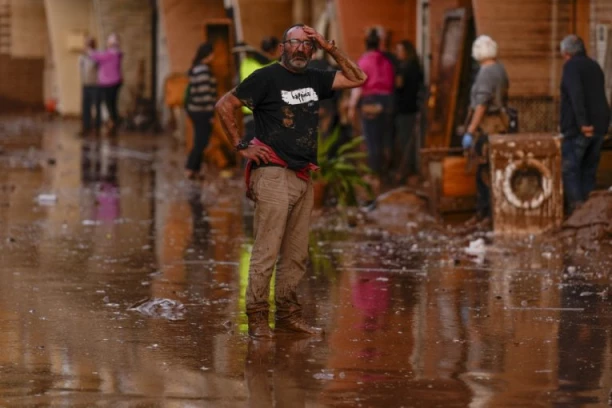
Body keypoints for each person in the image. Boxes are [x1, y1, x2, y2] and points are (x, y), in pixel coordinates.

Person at [215, 24, 367, 338]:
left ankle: (287, 315)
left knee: (297, 254)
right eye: (294, 43)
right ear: (283, 46)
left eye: (306, 45)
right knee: (267, 250)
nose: (300, 49)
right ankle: (257, 317)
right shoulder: (266, 77)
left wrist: (331, 48)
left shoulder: (316, 78)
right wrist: (242, 146)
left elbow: (358, 78)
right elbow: (224, 105)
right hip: (271, 173)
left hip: (302, 175)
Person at [559, 35, 610, 215]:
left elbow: (576, 95)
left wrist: (583, 123)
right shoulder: (595, 66)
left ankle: (577, 212)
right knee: (589, 170)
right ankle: (590, 213)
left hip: (580, 129)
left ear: (566, 53)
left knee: (571, 169)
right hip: (599, 127)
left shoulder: (571, 67)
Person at [461, 35, 510, 227]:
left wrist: (471, 130)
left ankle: (486, 214)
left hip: (489, 127)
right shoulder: (500, 69)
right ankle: (487, 214)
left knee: (484, 173)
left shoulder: (486, 73)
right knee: (492, 171)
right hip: (500, 124)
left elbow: (481, 104)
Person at [348, 28, 395, 181]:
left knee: (372, 140)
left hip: (371, 102)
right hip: (388, 102)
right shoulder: (387, 61)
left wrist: (352, 107)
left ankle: (374, 174)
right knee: (385, 139)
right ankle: (386, 172)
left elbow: (358, 87)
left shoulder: (364, 61)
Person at [234, 37, 281, 145]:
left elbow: (237, 85)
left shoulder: (246, 63)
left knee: (251, 144)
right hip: (267, 113)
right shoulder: (275, 66)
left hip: (249, 112)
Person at [184, 43, 217, 180]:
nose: (214, 57)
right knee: (201, 141)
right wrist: (211, 114)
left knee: (200, 140)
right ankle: (190, 168)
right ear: (207, 55)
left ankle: (195, 169)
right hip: (202, 111)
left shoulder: (197, 69)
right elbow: (205, 95)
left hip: (195, 110)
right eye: (212, 53)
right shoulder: (203, 70)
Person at [393, 40, 424, 184]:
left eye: (400, 50)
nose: (397, 53)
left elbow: (399, 85)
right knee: (409, 140)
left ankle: (408, 171)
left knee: (406, 141)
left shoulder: (404, 68)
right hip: (412, 107)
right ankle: (409, 170)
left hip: (405, 109)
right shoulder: (416, 67)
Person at [90, 33, 123, 135]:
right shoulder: (116, 54)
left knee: (109, 103)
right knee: (112, 103)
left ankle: (113, 122)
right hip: (115, 81)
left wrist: (90, 50)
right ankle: (113, 121)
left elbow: (96, 56)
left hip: (108, 83)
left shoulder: (110, 54)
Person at [79, 36, 101, 136]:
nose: (88, 47)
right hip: (86, 84)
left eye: (90, 44)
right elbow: (80, 69)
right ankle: (86, 126)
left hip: (96, 84)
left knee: (96, 105)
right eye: (87, 44)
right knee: (85, 106)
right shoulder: (82, 57)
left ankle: (97, 126)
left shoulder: (97, 56)